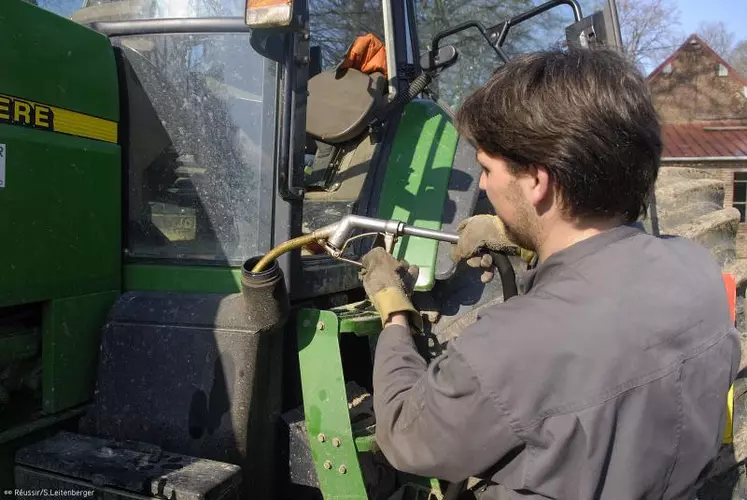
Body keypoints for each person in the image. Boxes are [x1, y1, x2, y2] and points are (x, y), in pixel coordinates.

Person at [358, 48, 741, 499]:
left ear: (538, 182)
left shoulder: (511, 345)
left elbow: (406, 435)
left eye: (486, 169)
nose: (481, 185)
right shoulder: (697, 270)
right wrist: (529, 242)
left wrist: (394, 311)